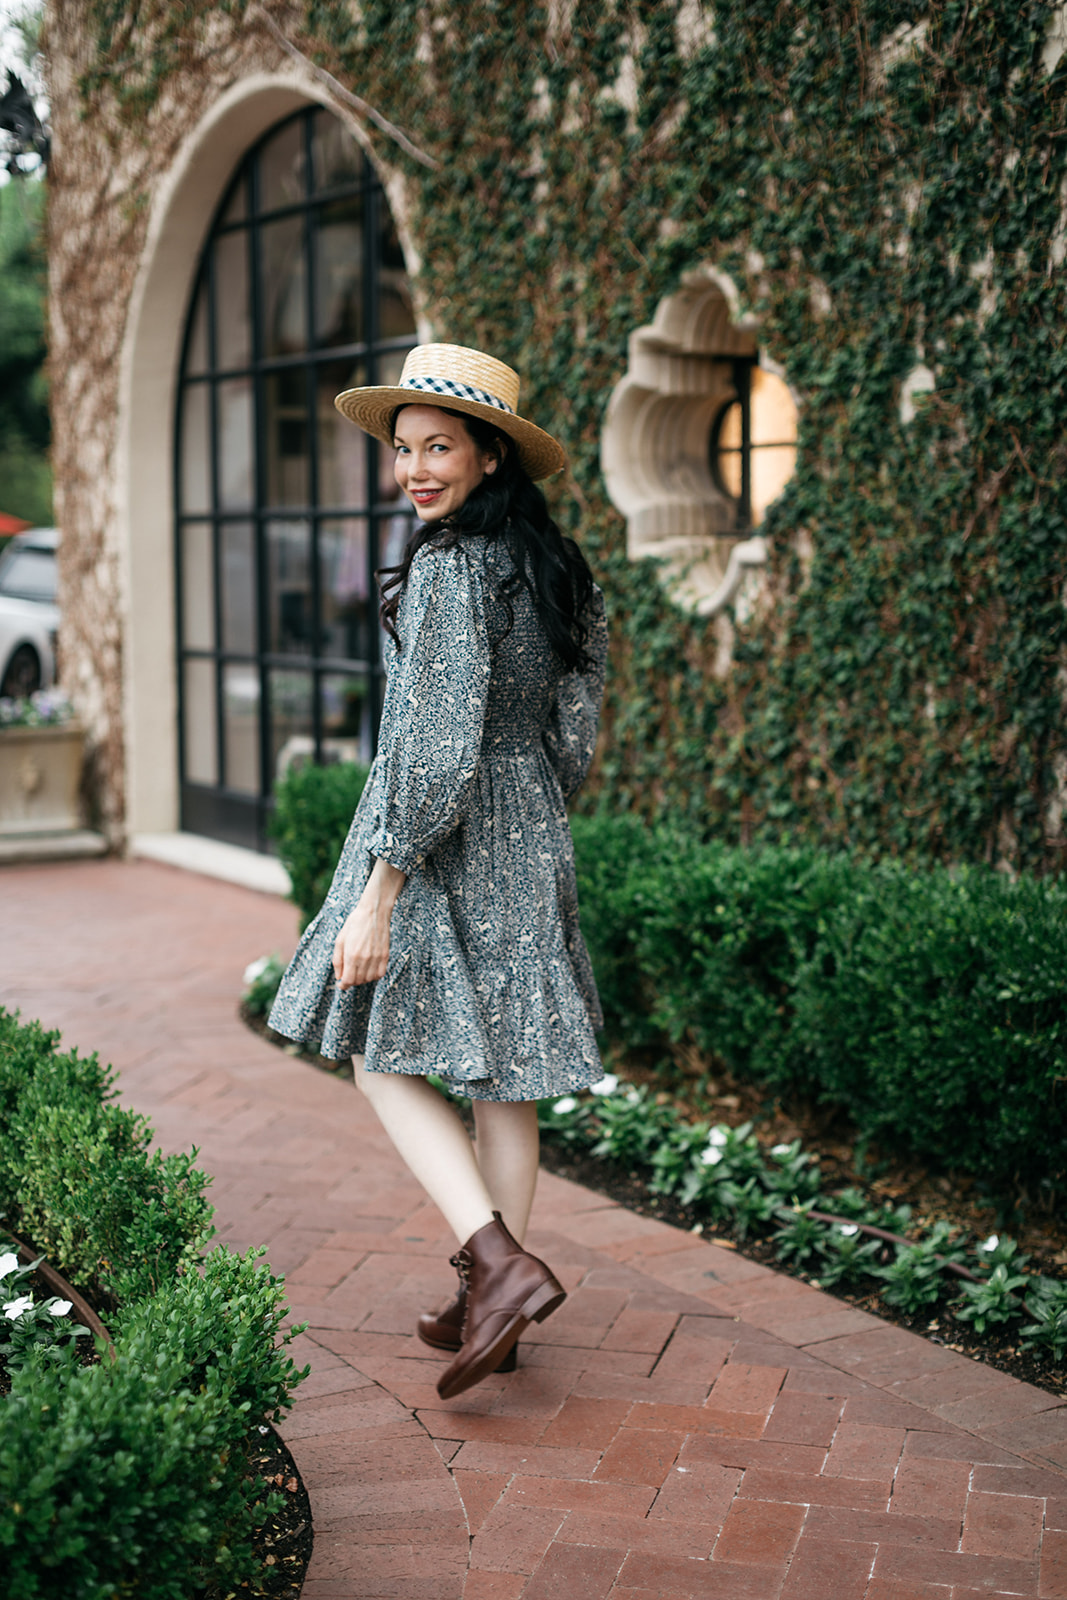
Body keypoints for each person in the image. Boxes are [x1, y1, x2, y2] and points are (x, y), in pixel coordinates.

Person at [268, 343, 607, 1400]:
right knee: (503, 1073)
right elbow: (577, 730)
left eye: (438, 448)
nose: (414, 469)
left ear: (490, 456)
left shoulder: (452, 567)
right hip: (527, 823)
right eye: (404, 448)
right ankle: (484, 1296)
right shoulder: (559, 570)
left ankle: (497, 1265)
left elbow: (432, 745)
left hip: (441, 833)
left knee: (375, 1052)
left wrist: (380, 890)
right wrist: (534, 805)